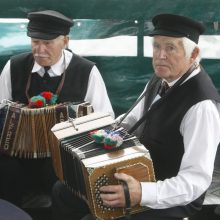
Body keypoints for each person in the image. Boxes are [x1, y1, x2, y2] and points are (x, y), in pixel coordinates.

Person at [51, 13, 220, 220]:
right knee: (63, 191)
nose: (160, 55)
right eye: (156, 46)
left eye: (170, 48)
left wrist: (142, 193)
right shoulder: (162, 77)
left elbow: (195, 181)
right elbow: (133, 119)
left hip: (171, 196)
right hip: (139, 172)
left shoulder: (201, 106)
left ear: (193, 54)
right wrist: (101, 131)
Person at [0, 9, 114, 209]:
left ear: (66, 41)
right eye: (35, 42)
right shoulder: (14, 65)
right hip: (18, 156)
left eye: (48, 43)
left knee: (59, 170)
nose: (40, 49)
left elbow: (105, 118)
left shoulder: (86, 70)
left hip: (63, 157)